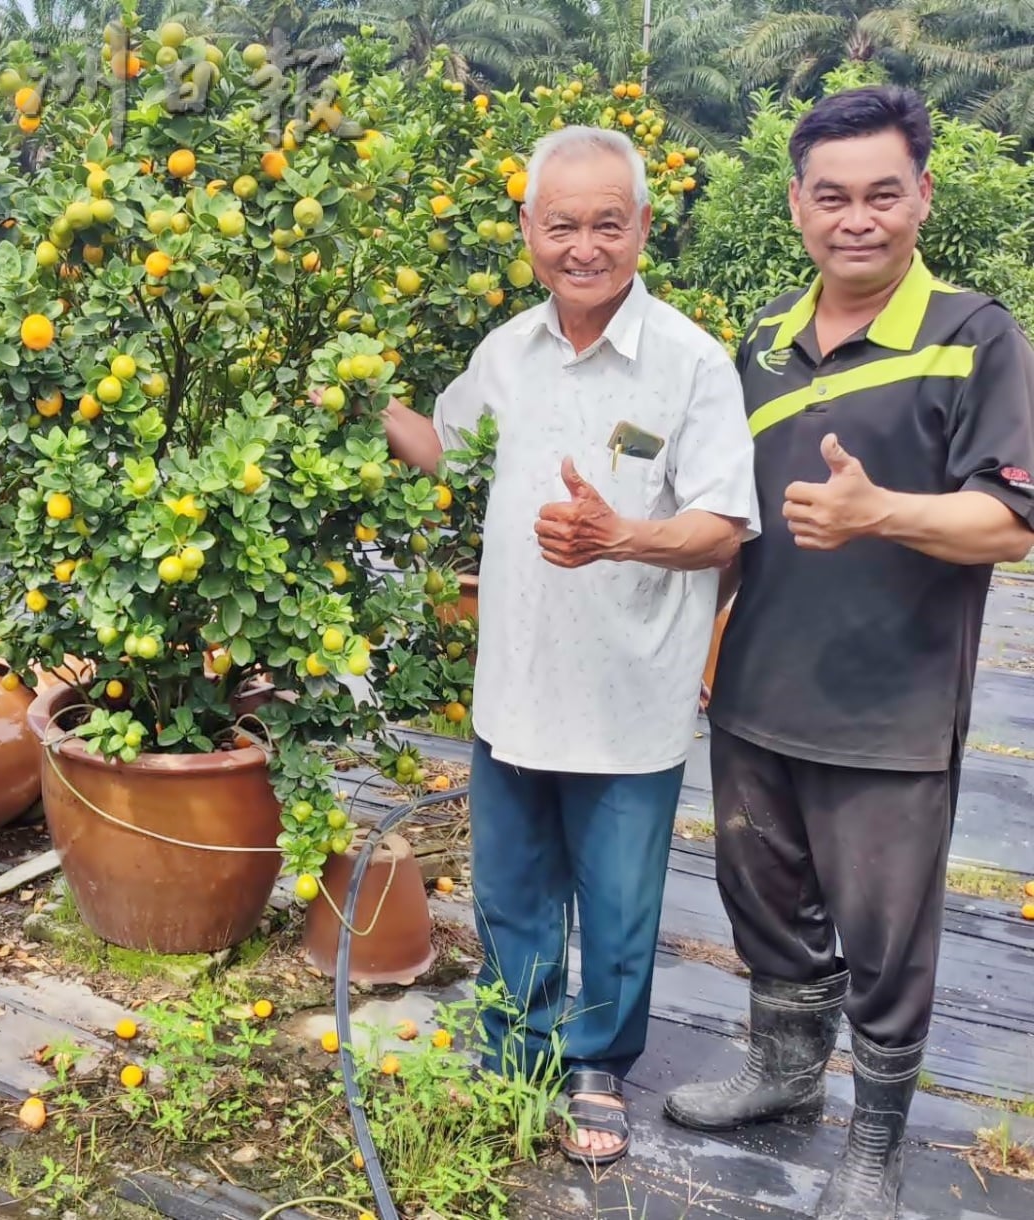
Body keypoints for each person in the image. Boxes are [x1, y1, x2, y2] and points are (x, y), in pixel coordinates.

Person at [664, 86, 1034, 1219]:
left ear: (922, 195)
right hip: (758, 685)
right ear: (797, 205)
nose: (857, 218)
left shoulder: (973, 335)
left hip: (891, 706)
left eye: (883, 193)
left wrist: (882, 512)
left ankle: (872, 1144)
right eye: (832, 196)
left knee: (886, 933)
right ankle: (781, 1073)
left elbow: (1013, 522)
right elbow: (727, 515)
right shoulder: (762, 341)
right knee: (760, 893)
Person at [382, 125, 758, 1167]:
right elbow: (444, 450)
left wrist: (622, 535)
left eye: (606, 222)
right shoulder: (507, 350)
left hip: (630, 691)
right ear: (528, 229)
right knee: (510, 888)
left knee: (622, 903)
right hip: (516, 683)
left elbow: (725, 523)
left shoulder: (691, 363)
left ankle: (596, 1062)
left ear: (643, 225)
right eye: (561, 225)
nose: (583, 245)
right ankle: (516, 1047)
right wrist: (364, 398)